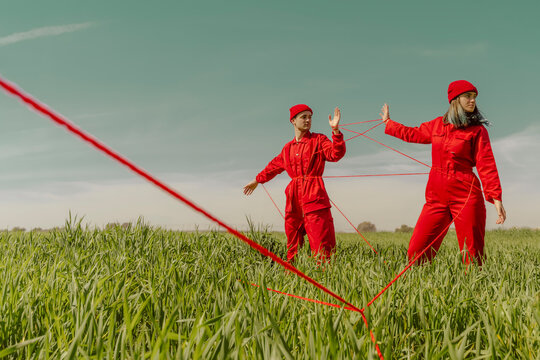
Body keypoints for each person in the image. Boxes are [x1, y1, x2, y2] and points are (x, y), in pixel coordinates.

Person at [380, 80, 506, 265]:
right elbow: (412, 133)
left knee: (471, 253)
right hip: (436, 196)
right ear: (455, 99)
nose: (473, 101)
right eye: (468, 97)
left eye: (474, 97)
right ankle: (417, 288)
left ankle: (475, 289)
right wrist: (389, 123)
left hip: (466, 194)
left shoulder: (477, 130)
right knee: (417, 250)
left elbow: (486, 164)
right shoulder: (437, 125)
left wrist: (496, 197)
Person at [243, 104, 346, 263]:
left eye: (310, 117)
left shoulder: (319, 140)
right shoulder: (287, 148)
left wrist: (336, 132)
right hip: (293, 198)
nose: (308, 120)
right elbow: (273, 166)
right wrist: (257, 180)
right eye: (303, 117)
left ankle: (323, 277)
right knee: (292, 242)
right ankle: (292, 275)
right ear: (293, 120)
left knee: (321, 242)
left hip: (314, 194)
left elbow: (335, 154)